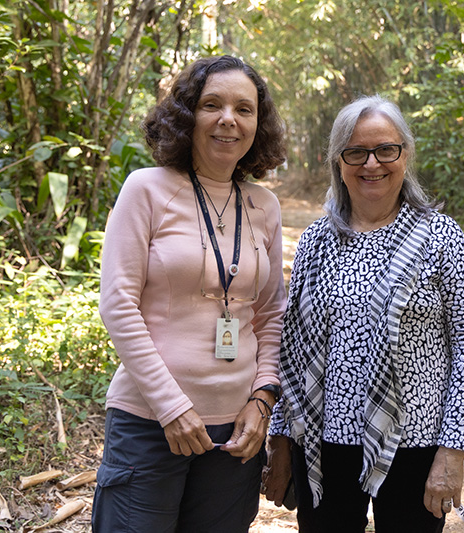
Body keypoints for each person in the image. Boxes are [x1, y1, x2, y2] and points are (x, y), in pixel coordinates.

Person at [262, 95, 464, 532]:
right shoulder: (316, 241)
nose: (372, 164)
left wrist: (453, 452)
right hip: (324, 440)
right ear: (338, 162)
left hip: (416, 441)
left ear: (405, 156)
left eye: (386, 149)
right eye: (356, 152)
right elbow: (292, 349)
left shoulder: (441, 238)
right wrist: (281, 439)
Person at [92, 55, 287, 532]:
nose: (228, 119)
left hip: (235, 434)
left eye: (244, 109)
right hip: (150, 422)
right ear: (186, 116)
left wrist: (262, 401)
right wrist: (172, 407)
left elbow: (272, 315)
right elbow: (118, 304)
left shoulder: (263, 205)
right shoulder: (148, 190)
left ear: (258, 125)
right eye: (212, 105)